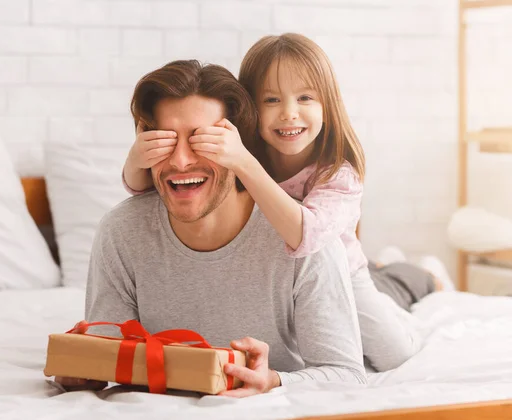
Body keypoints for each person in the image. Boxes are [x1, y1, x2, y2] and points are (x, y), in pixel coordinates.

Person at [55, 60, 367, 397]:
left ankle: (403, 278)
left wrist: (275, 380)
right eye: (164, 141)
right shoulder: (121, 231)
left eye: (203, 140)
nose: (180, 161)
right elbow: (106, 352)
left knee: (391, 337)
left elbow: (346, 375)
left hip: (351, 274)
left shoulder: (305, 240)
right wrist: (82, 369)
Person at [122, 34, 426, 372]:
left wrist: (243, 163)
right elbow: (145, 192)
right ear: (250, 109)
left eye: (306, 97)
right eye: (271, 100)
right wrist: (137, 159)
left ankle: (404, 281)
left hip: (343, 274)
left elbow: (305, 238)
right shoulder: (241, 153)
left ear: (328, 103)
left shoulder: (337, 176)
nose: (289, 114)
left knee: (393, 353)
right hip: (282, 280)